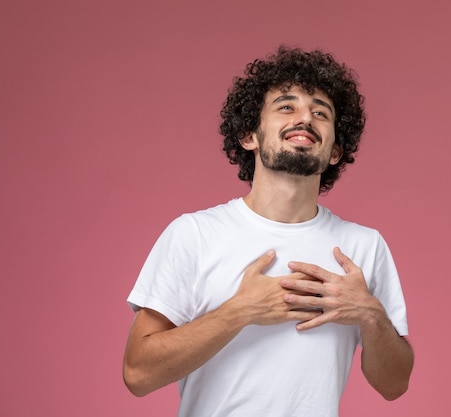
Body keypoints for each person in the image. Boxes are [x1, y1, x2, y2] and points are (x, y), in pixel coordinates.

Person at [123, 45, 414, 417]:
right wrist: (239, 312)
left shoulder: (364, 246)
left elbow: (394, 385)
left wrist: (369, 314)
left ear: (335, 151)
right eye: (286, 106)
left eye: (321, 113)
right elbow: (137, 374)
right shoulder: (194, 234)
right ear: (250, 136)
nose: (305, 118)